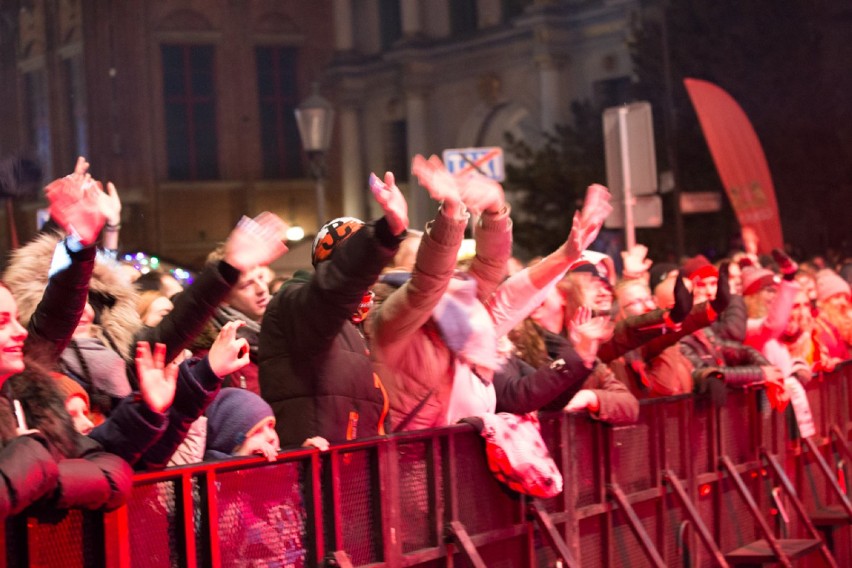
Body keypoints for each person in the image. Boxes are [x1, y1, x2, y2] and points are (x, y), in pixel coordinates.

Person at [259, 171, 409, 447]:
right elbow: (332, 290)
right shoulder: (296, 304)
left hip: (353, 475)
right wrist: (383, 235)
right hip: (318, 475)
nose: (374, 272)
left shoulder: (359, 319)